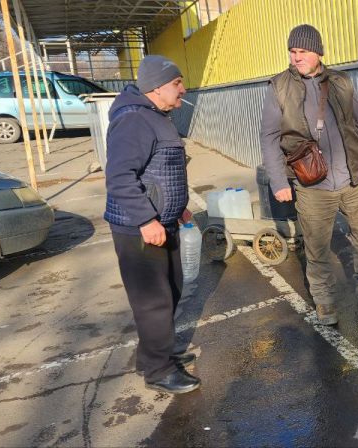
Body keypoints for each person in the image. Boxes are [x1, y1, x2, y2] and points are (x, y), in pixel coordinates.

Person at [260, 24, 358, 325]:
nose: (296, 57)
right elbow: (269, 137)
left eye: (302, 51)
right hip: (312, 184)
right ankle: (324, 300)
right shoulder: (279, 87)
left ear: (318, 52)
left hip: (353, 179)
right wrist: (279, 181)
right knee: (317, 247)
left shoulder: (341, 82)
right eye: (292, 52)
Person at [104, 55, 200, 394]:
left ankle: (153, 355)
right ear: (157, 87)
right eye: (177, 83)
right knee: (153, 300)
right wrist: (146, 219)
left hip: (165, 220)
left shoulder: (157, 114)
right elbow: (119, 177)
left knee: (171, 289)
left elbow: (161, 169)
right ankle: (158, 370)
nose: (182, 89)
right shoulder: (133, 120)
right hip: (139, 229)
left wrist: (181, 207)